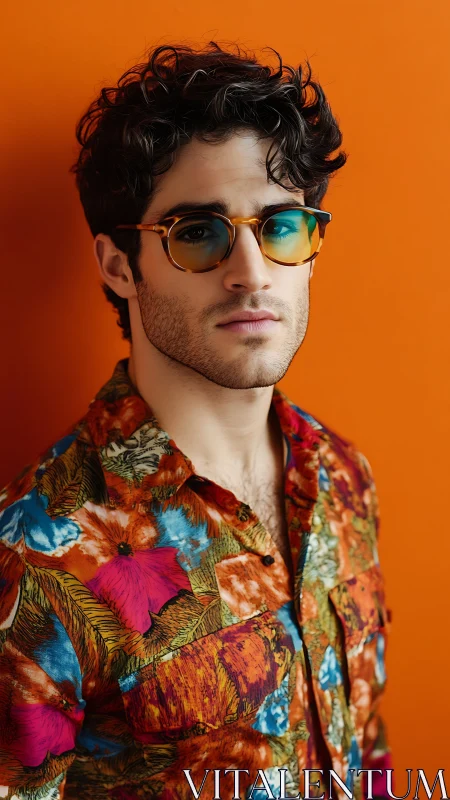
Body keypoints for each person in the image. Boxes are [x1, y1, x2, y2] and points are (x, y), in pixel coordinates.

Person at [0, 42, 392, 800]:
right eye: (198, 233)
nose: (249, 271)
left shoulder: (344, 477)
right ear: (118, 266)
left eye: (280, 226)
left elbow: (370, 756)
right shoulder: (40, 559)